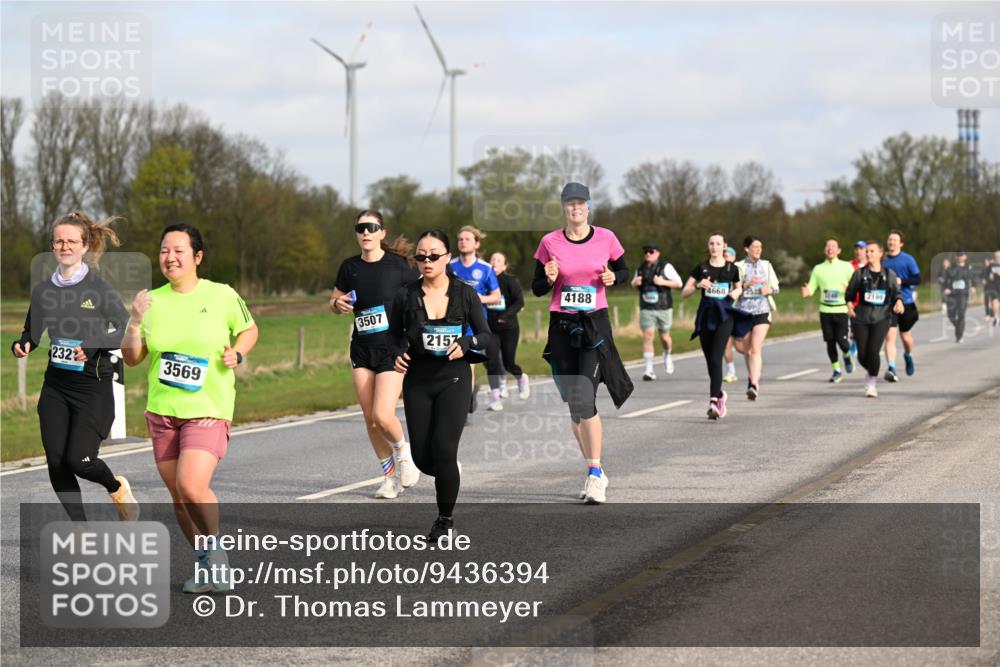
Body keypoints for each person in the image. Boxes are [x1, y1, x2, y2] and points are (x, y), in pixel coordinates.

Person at [122, 223, 259, 593]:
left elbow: (249, 329)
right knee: (180, 500)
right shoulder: (151, 302)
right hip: (163, 411)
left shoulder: (221, 295)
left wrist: (239, 353)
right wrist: (134, 320)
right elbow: (133, 358)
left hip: (209, 407)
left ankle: (216, 552)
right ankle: (203, 562)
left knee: (191, 484)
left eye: (179, 250)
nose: (170, 257)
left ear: (197, 257)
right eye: (165, 250)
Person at [12, 211, 138, 522]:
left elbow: (123, 329)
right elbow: (32, 332)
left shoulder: (98, 289)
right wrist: (23, 344)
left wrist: (93, 343)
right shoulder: (44, 292)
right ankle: (80, 527)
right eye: (59, 241)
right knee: (56, 461)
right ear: (52, 246)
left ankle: (116, 487)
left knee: (80, 460)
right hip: (56, 386)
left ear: (84, 247)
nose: (64, 246)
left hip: (92, 387)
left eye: (71, 241)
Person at [532, 182, 632, 504]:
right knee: (576, 408)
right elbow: (535, 288)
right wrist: (547, 278)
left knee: (585, 397)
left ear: (588, 206)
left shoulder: (606, 237)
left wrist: (614, 278)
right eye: (569, 204)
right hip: (562, 326)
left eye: (580, 203)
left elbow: (624, 270)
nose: (575, 209)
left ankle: (594, 472)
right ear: (564, 207)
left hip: (594, 325)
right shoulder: (549, 242)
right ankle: (595, 471)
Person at [389, 230, 491, 542]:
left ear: (447, 257)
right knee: (422, 457)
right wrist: (396, 353)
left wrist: (467, 341)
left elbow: (487, 337)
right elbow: (392, 335)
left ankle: (444, 520)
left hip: (455, 378)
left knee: (444, 450)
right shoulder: (405, 295)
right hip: (418, 380)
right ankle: (449, 473)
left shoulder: (465, 293)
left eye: (434, 255)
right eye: (421, 255)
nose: (427, 261)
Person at [330, 210, 421, 499]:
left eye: (371, 227)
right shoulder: (349, 267)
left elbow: (423, 295)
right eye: (360, 228)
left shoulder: (400, 266)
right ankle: (389, 478)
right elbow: (334, 299)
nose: (365, 233)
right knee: (370, 418)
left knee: (383, 414)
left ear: (382, 232)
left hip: (393, 348)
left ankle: (404, 455)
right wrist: (337, 304)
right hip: (362, 347)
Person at [682, 232, 743, 419]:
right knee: (711, 361)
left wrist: (736, 293)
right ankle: (720, 394)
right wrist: (698, 285)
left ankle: (713, 401)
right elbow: (685, 292)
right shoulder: (701, 267)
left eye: (718, 243)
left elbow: (739, 286)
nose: (714, 247)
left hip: (724, 317)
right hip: (705, 316)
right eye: (711, 243)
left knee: (717, 358)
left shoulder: (732, 268)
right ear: (708, 246)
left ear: (724, 246)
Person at [448, 226, 501, 414]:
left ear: (476, 243)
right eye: (460, 239)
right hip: (451, 323)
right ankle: (464, 396)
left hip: (474, 325)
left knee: (467, 365)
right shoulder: (450, 266)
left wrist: (478, 299)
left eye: (467, 239)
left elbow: (496, 296)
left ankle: (465, 401)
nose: (463, 242)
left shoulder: (486, 269)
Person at [846, 241, 905, 397]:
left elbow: (896, 293)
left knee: (873, 351)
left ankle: (871, 384)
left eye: (872, 251)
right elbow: (849, 295)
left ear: (880, 253)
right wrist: (850, 306)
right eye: (867, 251)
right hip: (861, 318)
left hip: (882, 317)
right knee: (862, 355)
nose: (868, 254)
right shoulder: (859, 273)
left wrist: (899, 302)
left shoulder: (889, 274)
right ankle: (872, 370)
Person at [801, 239, 856, 382]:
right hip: (825, 311)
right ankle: (837, 370)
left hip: (841, 310)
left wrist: (849, 290)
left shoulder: (847, 267)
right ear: (825, 250)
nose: (830, 249)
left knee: (843, 342)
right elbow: (812, 287)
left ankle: (846, 355)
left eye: (833, 246)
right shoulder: (818, 269)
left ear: (839, 250)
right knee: (830, 342)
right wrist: (807, 291)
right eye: (827, 246)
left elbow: (857, 286)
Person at [732, 235, 779, 399]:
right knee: (747, 351)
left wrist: (770, 290)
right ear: (747, 248)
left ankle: (754, 384)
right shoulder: (738, 266)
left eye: (760, 247)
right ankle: (751, 377)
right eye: (755, 246)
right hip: (743, 312)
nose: (758, 249)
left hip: (762, 311)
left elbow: (776, 287)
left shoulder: (766, 265)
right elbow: (734, 288)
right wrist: (746, 284)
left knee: (755, 348)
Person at [631, 242, 682, 381]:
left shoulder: (666, 267)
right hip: (646, 307)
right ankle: (649, 370)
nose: (648, 253)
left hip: (664, 307)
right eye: (646, 251)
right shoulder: (640, 268)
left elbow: (679, 283)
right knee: (648, 335)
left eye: (651, 251)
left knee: (664, 337)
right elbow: (633, 282)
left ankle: (667, 353)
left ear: (658, 253)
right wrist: (635, 283)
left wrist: (663, 282)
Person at [486, 252, 529, 403]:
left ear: (504, 266)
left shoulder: (510, 281)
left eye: (498, 260)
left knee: (508, 362)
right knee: (491, 360)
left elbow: (519, 302)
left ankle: (521, 377)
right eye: (492, 259)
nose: (494, 262)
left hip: (509, 328)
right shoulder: (484, 281)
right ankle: (495, 398)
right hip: (490, 328)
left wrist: (505, 316)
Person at [882, 230, 921, 381]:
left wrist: (901, 281)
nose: (891, 242)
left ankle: (908, 354)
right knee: (889, 336)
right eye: (889, 239)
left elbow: (918, 279)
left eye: (895, 240)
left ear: (901, 244)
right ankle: (891, 367)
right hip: (888, 304)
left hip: (906, 303)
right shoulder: (882, 260)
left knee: (905, 336)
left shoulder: (908, 259)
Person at [942, 251, 976, 343]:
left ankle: (959, 336)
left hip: (963, 294)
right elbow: (945, 279)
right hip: (952, 294)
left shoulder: (968, 268)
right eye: (958, 256)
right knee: (951, 315)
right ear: (956, 257)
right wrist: (945, 288)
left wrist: (973, 286)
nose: (960, 257)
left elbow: (973, 278)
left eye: (961, 255)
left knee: (961, 314)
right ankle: (958, 327)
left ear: (965, 257)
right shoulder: (951, 268)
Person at [722, 246, 739, 383]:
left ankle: (754, 359)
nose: (726, 258)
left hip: (739, 313)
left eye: (728, 256)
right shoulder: (719, 272)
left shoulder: (738, 271)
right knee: (726, 344)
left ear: (734, 258)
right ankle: (731, 371)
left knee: (741, 347)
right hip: (726, 314)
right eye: (724, 255)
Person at [848, 240, 868, 359]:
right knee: (854, 329)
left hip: (867, 302)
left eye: (861, 249)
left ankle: (863, 348)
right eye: (856, 249)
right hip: (854, 303)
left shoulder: (870, 265)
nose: (858, 251)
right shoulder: (849, 265)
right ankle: (855, 343)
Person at [985, 250, 1000, 326]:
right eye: (996, 256)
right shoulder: (991, 265)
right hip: (994, 287)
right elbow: (986, 274)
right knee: (994, 302)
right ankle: (996, 317)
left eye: (998, 256)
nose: (997, 257)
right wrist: (987, 278)